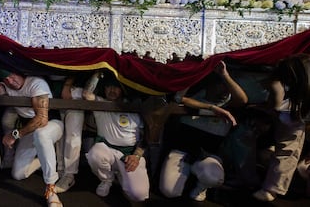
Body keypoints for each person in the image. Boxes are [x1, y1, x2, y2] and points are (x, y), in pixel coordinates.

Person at [0, 35, 64, 207]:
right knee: (18, 174)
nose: (11, 81)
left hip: (52, 125)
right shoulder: (7, 86)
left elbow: (42, 119)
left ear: (19, 72)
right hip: (29, 128)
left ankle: (51, 189)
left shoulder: (36, 83)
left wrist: (15, 134)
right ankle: (45, 158)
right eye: (6, 79)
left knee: (41, 135)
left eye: (12, 76)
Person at [159, 60, 247, 201]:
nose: (225, 90)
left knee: (212, 177)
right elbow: (179, 98)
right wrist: (211, 108)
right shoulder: (195, 99)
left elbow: (242, 100)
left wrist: (225, 75)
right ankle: (187, 178)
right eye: (221, 85)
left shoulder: (229, 105)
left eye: (227, 87)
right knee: (169, 191)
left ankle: (201, 186)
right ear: (209, 86)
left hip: (207, 156)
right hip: (182, 152)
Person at [83, 72, 150, 202]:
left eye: (116, 87)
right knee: (95, 154)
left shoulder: (134, 107)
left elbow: (146, 137)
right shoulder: (100, 104)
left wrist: (136, 156)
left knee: (139, 195)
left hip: (130, 154)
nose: (112, 90)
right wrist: (98, 72)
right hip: (107, 150)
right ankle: (106, 179)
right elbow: (86, 94)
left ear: (122, 89)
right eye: (108, 87)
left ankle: (122, 175)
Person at [252, 53, 310, 202]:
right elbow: (278, 105)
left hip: (285, 116)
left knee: (284, 151)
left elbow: (275, 104)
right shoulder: (301, 82)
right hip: (291, 118)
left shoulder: (279, 81)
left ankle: (269, 188)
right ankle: (271, 189)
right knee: (287, 152)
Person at [54, 75, 86, 193]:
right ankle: (61, 170)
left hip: (76, 91)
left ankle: (69, 175)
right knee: (59, 135)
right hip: (54, 91)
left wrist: (68, 83)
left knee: (73, 136)